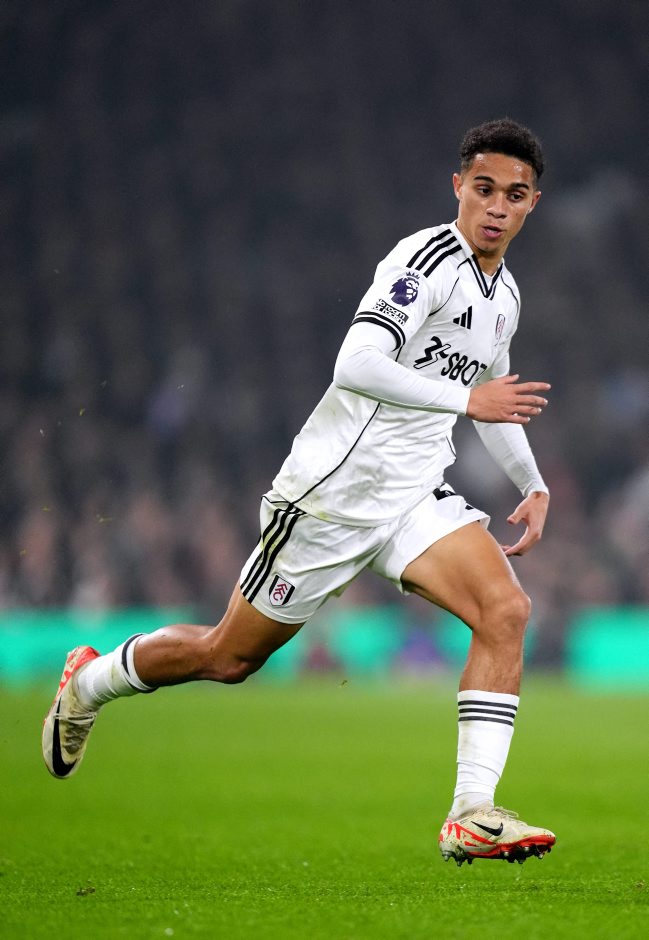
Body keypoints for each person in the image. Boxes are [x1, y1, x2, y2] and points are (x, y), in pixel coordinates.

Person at [43, 117, 556, 867]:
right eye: (483, 188)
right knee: (228, 657)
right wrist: (465, 401)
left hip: (413, 496)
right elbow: (357, 363)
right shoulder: (423, 261)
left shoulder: (503, 294)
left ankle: (470, 814)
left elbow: (491, 394)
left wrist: (531, 482)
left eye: (513, 195)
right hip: (330, 496)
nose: (496, 207)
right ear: (458, 187)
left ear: (532, 203)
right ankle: (89, 681)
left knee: (505, 610)